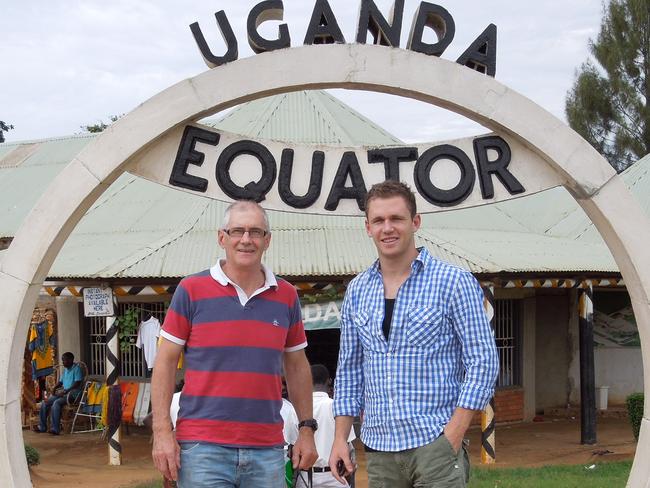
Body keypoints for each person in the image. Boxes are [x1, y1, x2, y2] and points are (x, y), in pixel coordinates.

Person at [329, 181, 499, 487]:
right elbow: (349, 370)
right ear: (368, 227)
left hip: (434, 442)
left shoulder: (454, 282)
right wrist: (341, 438)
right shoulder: (357, 290)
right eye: (379, 220)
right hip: (379, 448)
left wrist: (454, 433)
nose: (388, 228)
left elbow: (483, 362)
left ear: (415, 222)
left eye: (397, 218)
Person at [151, 200, 318, 488]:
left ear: (267, 240)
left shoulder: (286, 295)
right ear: (222, 238)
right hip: (203, 448)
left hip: (267, 448)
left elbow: (296, 364)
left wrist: (306, 429)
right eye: (237, 231)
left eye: (255, 232)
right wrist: (162, 431)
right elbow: (165, 362)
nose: (246, 239)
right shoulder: (191, 290)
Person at [292, 364, 355, 488]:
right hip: (335, 476)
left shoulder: (297, 409)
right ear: (329, 381)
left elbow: (290, 446)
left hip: (306, 477)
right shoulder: (339, 408)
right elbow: (349, 447)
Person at [34, 351, 83, 435]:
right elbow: (60, 382)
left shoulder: (77, 368)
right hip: (63, 393)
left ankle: (55, 429)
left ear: (71, 360)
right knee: (45, 402)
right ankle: (42, 427)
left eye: (65, 360)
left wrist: (66, 391)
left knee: (56, 403)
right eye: (62, 360)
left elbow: (77, 383)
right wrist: (54, 388)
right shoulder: (65, 370)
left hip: (73, 395)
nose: (63, 362)